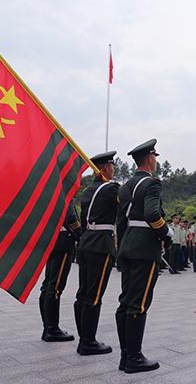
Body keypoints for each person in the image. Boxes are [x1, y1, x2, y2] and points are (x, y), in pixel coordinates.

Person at [115, 138, 172, 373]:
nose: (156, 161)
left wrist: (121, 247)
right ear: (150, 158)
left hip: (128, 245)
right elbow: (152, 213)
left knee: (126, 301)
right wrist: (166, 232)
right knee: (138, 303)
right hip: (144, 248)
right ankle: (134, 358)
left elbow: (121, 220)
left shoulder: (126, 185)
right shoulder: (152, 184)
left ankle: (125, 355)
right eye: (155, 157)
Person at [74, 151, 120, 355]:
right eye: (112, 166)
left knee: (83, 293)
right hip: (101, 245)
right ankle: (88, 342)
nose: (114, 169)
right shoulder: (110, 189)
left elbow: (84, 222)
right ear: (104, 168)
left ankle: (83, 337)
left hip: (85, 243)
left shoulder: (87, 191)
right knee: (94, 295)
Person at [39, 203, 82, 342]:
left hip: (52, 239)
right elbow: (71, 217)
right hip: (63, 240)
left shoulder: (51, 190)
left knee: (48, 285)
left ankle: (48, 327)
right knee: (55, 287)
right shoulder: (64, 190)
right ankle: (52, 329)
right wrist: (80, 234)